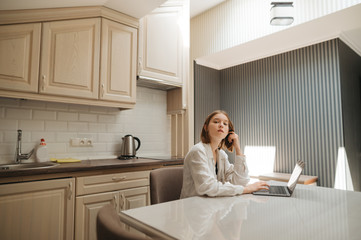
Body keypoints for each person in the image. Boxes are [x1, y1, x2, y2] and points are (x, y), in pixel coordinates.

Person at [180, 110, 269, 198]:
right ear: (206, 127)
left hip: (212, 205)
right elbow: (207, 187)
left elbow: (239, 182)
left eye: (225, 124)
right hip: (193, 206)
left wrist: (238, 149)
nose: (221, 125)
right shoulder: (198, 151)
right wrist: (247, 189)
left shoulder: (221, 155)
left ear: (228, 132)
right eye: (216, 122)